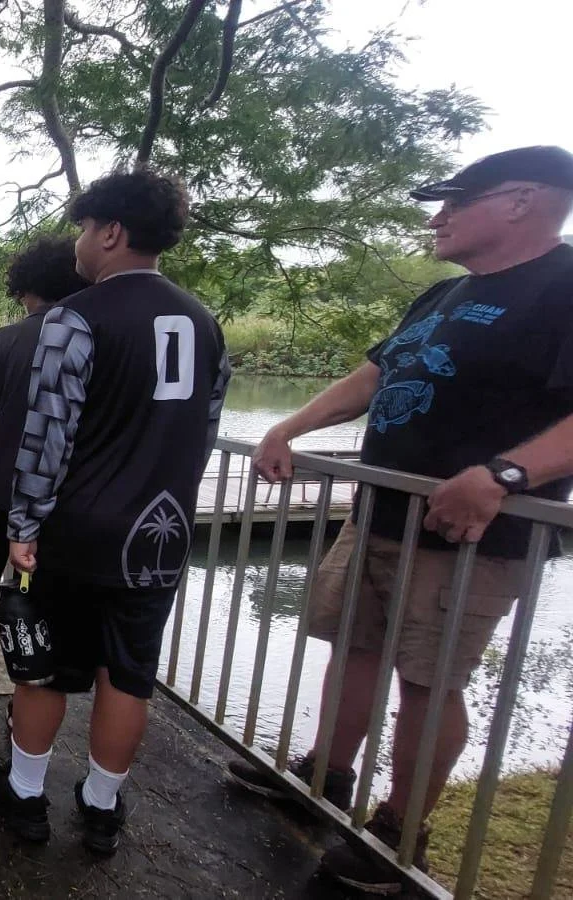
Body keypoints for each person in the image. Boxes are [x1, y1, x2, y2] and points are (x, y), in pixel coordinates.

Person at [225, 145, 573, 894]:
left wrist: (504, 475)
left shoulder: (565, 284)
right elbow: (376, 374)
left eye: (456, 200)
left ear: (521, 201)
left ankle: (399, 830)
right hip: (380, 514)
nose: (437, 217)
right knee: (351, 647)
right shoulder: (443, 296)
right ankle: (323, 776)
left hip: (469, 538)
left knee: (427, 679)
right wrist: (291, 427)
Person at [0, 170, 229, 857]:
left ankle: (26, 796)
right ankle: (101, 805)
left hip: (78, 531)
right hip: (160, 534)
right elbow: (203, 431)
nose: (81, 243)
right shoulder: (204, 321)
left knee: (45, 665)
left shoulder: (74, 317)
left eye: (87, 229)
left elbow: (47, 435)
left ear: (111, 232)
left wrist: (24, 524)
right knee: (129, 673)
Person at [0, 235, 90, 695]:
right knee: (44, 584)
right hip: (62, 494)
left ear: (25, 285)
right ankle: (40, 665)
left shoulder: (7, 339)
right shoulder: (89, 336)